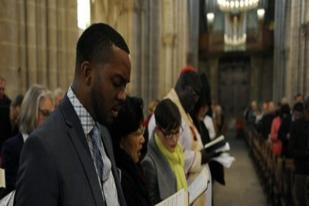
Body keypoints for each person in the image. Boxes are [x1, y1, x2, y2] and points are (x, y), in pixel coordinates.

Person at [14, 23, 131, 206]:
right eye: (117, 83)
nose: (123, 95)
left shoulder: (103, 134)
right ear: (87, 73)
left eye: (125, 85)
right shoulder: (43, 147)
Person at [1, 85, 54, 195]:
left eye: (52, 115)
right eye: (45, 114)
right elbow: (6, 188)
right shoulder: (10, 148)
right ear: (31, 112)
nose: (51, 121)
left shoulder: (53, 146)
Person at [142, 99, 187, 205]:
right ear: (158, 130)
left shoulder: (177, 153)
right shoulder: (149, 163)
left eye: (177, 132)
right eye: (169, 134)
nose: (175, 139)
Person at [108, 96, 150, 206]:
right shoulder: (121, 179)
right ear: (121, 140)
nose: (143, 139)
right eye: (137, 133)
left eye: (142, 131)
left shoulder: (134, 167)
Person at [289, 97, 309, 206]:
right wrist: (305, 153)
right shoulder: (296, 125)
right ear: (306, 110)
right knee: (300, 198)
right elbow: (291, 149)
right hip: (301, 169)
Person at [0, 77, 12, 150]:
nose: (1, 91)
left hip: (5, 137)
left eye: (3, 89)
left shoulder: (9, 102)